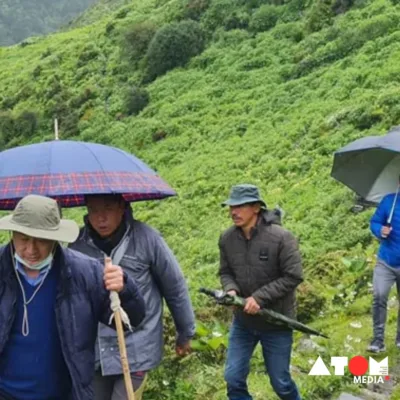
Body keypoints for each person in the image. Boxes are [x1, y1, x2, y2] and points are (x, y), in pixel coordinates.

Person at [0, 194, 146, 400]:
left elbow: (134, 318)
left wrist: (124, 289)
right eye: (23, 239)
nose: (31, 250)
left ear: (55, 238)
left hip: (63, 393)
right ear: (12, 234)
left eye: (41, 241)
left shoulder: (85, 273)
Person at [69, 193, 196, 400]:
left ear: (122, 207)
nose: (100, 218)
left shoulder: (147, 238)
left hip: (136, 348)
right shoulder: (77, 246)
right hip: (96, 352)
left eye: (108, 209)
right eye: (93, 210)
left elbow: (174, 286)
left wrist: (185, 332)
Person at [218, 184, 303, 400]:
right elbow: (225, 271)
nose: (233, 212)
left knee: (281, 383)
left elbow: (293, 276)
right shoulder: (227, 239)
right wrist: (231, 289)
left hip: (277, 322)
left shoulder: (281, 237)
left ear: (256, 207)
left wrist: (259, 298)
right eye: (231, 207)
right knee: (233, 378)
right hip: (243, 322)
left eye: (240, 206)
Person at [368, 191, 400, 352]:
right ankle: (377, 340)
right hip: (386, 261)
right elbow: (374, 222)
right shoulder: (389, 201)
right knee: (379, 295)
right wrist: (381, 229)